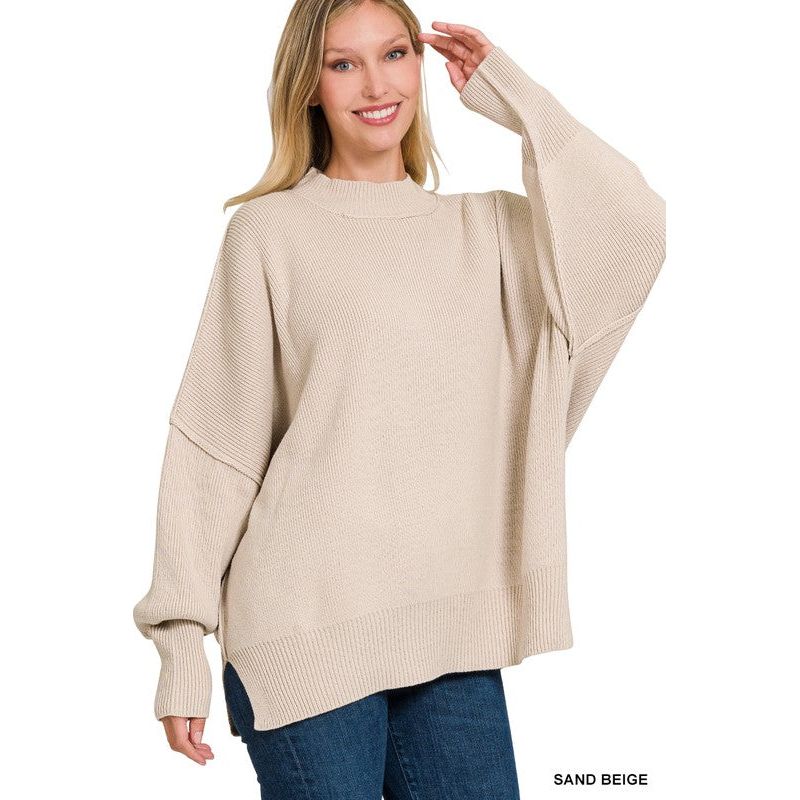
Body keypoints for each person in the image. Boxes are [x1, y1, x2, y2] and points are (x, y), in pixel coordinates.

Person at [132, 0, 666, 797]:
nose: (376, 85)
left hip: (453, 632)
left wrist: (518, 98)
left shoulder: (495, 232)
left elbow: (634, 232)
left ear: (421, 65)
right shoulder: (269, 233)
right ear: (309, 86)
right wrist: (181, 646)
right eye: (343, 63)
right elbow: (218, 448)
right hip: (303, 633)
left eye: (394, 54)